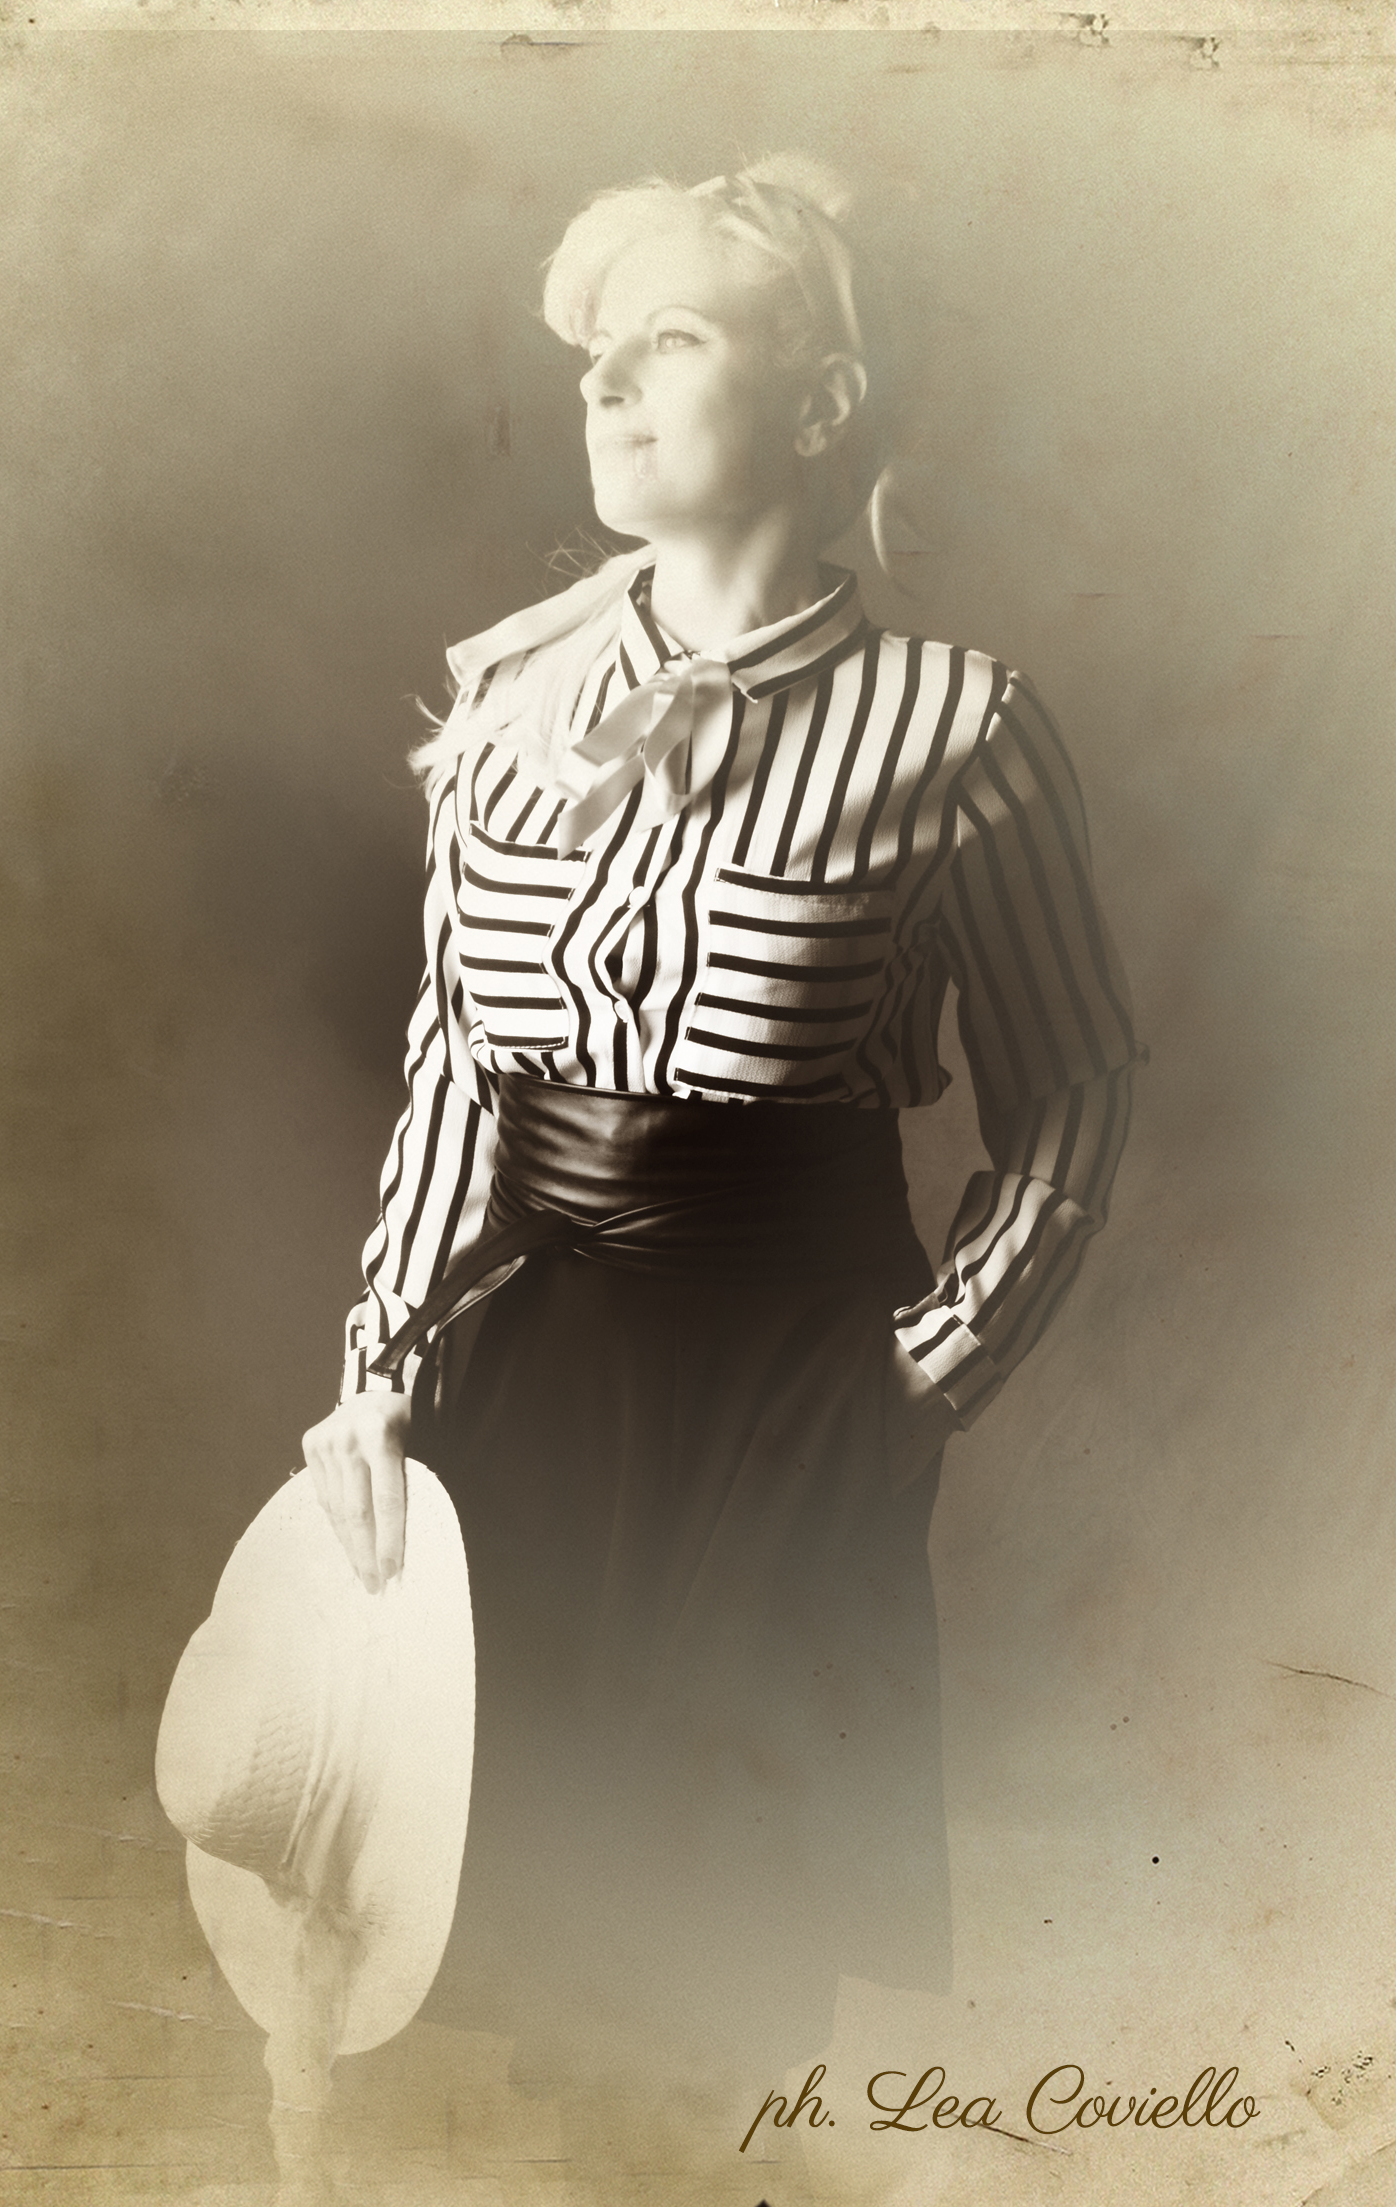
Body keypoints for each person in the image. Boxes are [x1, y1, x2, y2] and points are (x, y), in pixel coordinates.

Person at [301, 155, 1143, 2092]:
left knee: (719, 1975)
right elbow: (458, 1065)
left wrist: (930, 1367)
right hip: (526, 1373)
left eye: (667, 339)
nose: (604, 383)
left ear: (822, 402)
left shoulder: (959, 726)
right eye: (595, 350)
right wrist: (379, 1368)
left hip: (794, 1383)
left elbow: (1078, 1081)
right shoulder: (505, 704)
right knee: (507, 1935)